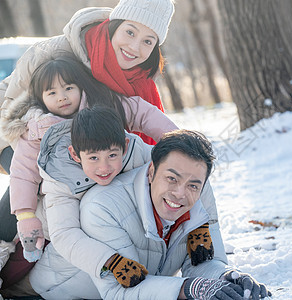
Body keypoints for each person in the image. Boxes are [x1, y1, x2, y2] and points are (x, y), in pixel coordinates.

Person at [0, 0, 176, 244]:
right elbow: (10, 109)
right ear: (114, 26)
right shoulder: (52, 54)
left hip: (85, 147)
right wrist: (45, 129)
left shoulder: (138, 79)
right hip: (19, 137)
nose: (134, 47)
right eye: (130, 32)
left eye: (148, 41)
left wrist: (178, 143)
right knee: (43, 183)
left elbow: (140, 114)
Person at [0, 55, 180, 291]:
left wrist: (177, 142)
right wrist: (24, 214)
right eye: (51, 93)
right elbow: (23, 174)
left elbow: (141, 113)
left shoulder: (104, 105)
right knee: (36, 243)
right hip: (61, 193)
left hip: (107, 187)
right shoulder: (38, 128)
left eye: (68, 88)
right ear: (41, 98)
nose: (62, 97)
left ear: (80, 87)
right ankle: (9, 283)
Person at [30, 128, 270, 300]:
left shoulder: (201, 195)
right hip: (58, 290)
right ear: (152, 170)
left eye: (193, 185)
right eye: (171, 178)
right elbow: (118, 290)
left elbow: (201, 263)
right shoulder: (102, 207)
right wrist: (188, 289)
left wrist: (225, 277)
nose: (179, 193)